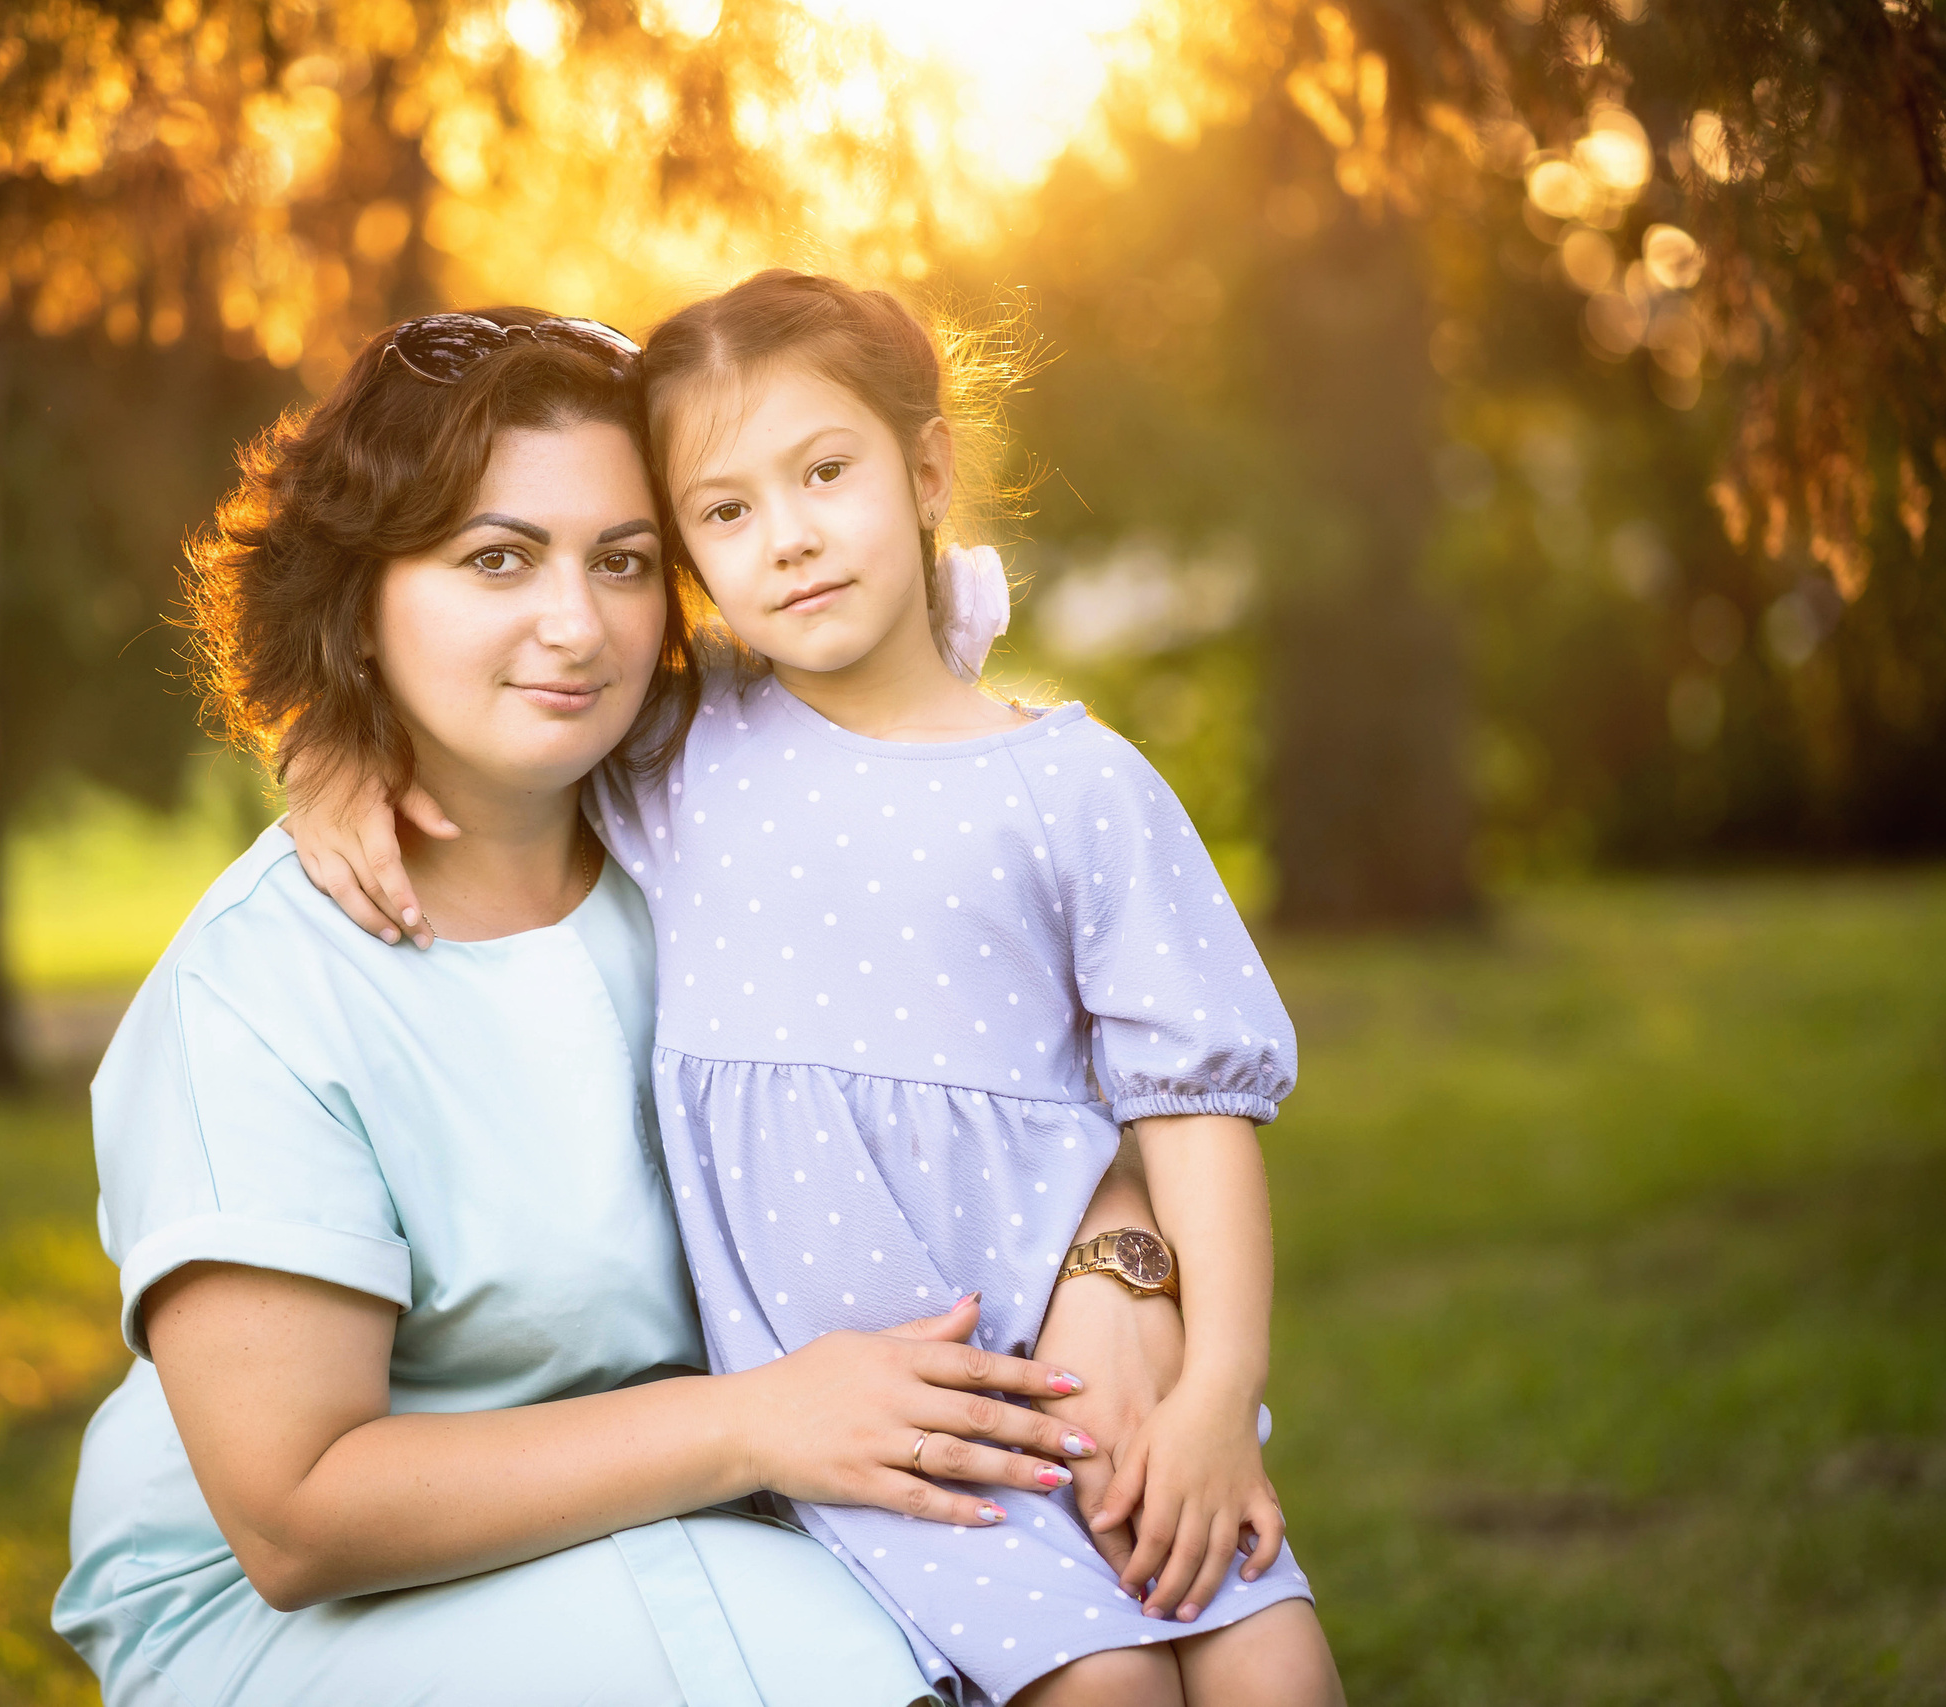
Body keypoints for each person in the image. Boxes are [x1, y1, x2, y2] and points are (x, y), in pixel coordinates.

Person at [52, 307, 1142, 1707]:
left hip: (721, 1485)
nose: (576, 626)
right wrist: (754, 1425)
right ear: (361, 600)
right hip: (320, 1603)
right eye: (495, 558)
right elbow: (297, 1516)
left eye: (622, 562)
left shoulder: (736, 837)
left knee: (1114, 1628)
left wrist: (1125, 1278)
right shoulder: (261, 991)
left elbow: (1014, 1103)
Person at [287, 274, 1346, 1706]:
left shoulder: (1078, 788)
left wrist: (1219, 1389)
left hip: (1105, 1380)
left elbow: (1197, 1108)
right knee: (1106, 1690)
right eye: (721, 512)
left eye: (824, 474)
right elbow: (481, 703)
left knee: (1273, 1663)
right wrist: (333, 756)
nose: (783, 538)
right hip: (874, 1434)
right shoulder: (679, 754)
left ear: (924, 470)